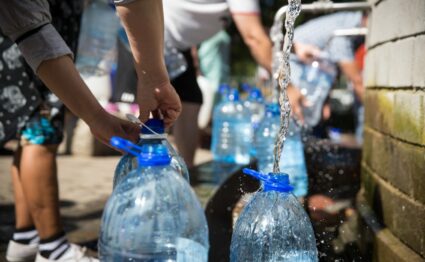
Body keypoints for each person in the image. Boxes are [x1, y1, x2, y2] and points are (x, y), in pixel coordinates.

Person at [0, 0, 180, 260]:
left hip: (35, 33)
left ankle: (26, 235)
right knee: (41, 131)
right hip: (28, 36)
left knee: (30, 130)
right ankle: (52, 247)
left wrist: (154, 79)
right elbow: (30, 27)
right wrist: (95, 116)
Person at [159, 0, 273, 167]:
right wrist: (287, 84)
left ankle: (185, 172)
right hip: (152, 36)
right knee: (153, 105)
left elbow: (259, 32)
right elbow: (254, 38)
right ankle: (145, 173)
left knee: (191, 99)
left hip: (177, 45)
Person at [288, 11, 368, 126]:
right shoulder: (345, 30)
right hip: (295, 64)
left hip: (310, 70)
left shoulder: (347, 22)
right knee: (297, 115)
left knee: (305, 118)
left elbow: (333, 68)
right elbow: (355, 80)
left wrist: (326, 100)